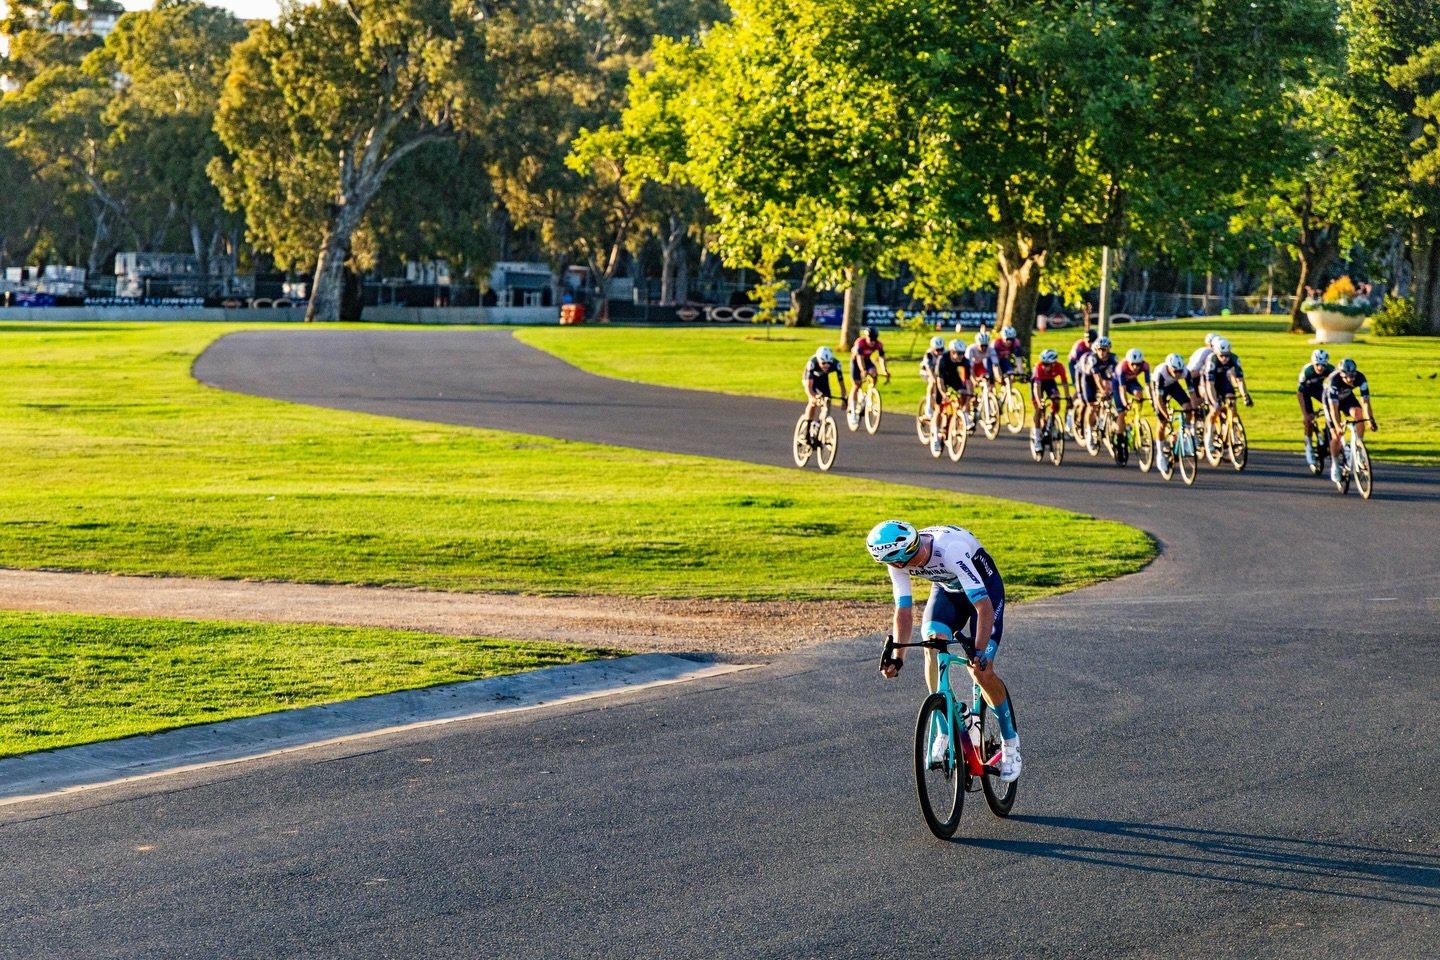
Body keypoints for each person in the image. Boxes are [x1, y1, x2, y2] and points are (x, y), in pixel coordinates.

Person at [868, 520, 1021, 782]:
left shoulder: (950, 550)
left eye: (891, 562)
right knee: (932, 642)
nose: (889, 567)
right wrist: (898, 657)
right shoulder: (898, 561)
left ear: (902, 558)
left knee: (981, 672)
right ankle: (943, 730)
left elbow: (983, 608)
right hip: (948, 590)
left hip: (984, 593)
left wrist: (979, 652)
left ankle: (1011, 744)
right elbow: (903, 612)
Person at [1323, 358, 1378, 485]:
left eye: (1353, 376)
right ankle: (1335, 464)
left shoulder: (1360, 378)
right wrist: (1337, 426)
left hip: (1347, 398)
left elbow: (1365, 402)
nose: (1351, 380)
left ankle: (1359, 446)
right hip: (1331, 402)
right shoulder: (1333, 381)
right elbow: (1334, 409)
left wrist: (1370, 420)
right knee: (1336, 435)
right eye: (1348, 377)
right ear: (1342, 374)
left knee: (1359, 414)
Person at [1200, 337, 1252, 453]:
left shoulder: (1234, 359)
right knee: (1215, 410)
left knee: (1232, 402)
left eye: (1227, 355)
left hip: (1223, 379)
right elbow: (1210, 385)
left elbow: (1240, 380)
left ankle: (1232, 430)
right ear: (1217, 353)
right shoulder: (1212, 361)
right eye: (1222, 356)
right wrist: (1214, 403)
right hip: (1209, 383)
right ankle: (1208, 437)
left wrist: (1245, 396)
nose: (1225, 358)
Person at [1150, 352, 1199, 473]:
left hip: (1173, 386)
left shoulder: (1185, 372)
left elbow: (1192, 393)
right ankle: (1160, 453)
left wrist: (1194, 409)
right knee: (1163, 422)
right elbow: (1159, 399)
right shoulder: (1160, 374)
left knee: (1188, 408)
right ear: (1169, 367)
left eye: (1180, 371)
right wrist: (1166, 415)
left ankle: (1185, 433)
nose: (1178, 374)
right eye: (1175, 371)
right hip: (1159, 391)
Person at [1076, 335, 1118, 445]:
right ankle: (1089, 431)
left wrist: (1113, 389)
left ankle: (1102, 421)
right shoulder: (1092, 358)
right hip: (1087, 376)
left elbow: (1114, 376)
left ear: (1109, 349)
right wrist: (1103, 390)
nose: (1102, 352)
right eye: (1099, 350)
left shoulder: (1113, 358)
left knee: (1108, 394)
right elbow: (1096, 378)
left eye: (1104, 349)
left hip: (1102, 373)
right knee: (1091, 404)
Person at [1296, 348, 1335, 468]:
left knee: (1332, 411)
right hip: (1306, 392)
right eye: (1317, 365)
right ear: (1313, 363)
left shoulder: (1331, 370)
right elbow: (1300, 394)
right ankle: (1308, 444)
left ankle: (1327, 434)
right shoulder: (1307, 372)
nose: (1320, 368)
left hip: (1320, 390)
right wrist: (1305, 414)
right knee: (1309, 420)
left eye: (1323, 365)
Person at [929, 338, 969, 454]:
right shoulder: (942, 360)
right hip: (941, 379)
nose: (961, 356)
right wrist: (944, 394)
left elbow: (968, 381)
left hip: (952, 376)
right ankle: (936, 436)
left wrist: (969, 394)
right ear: (952, 352)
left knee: (964, 392)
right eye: (959, 353)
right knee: (940, 407)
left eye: (963, 353)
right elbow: (940, 383)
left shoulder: (964, 361)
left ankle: (959, 415)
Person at [1029, 347, 1071, 454]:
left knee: (1056, 400)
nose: (1044, 366)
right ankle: (1037, 438)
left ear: (1053, 364)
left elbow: (1065, 383)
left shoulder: (1060, 367)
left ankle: (1051, 420)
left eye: (1047, 364)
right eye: (1043, 363)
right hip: (1037, 384)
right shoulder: (1038, 368)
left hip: (1049, 382)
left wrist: (1068, 398)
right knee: (1038, 409)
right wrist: (1039, 402)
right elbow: (1036, 387)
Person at [801, 346, 846, 441]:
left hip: (823, 379)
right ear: (818, 360)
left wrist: (844, 398)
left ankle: (818, 423)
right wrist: (813, 397)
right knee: (813, 402)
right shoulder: (812, 363)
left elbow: (842, 384)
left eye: (829, 363)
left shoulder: (836, 364)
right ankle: (806, 428)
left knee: (827, 402)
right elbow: (809, 388)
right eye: (823, 363)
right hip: (810, 378)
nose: (826, 365)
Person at [849, 326, 890, 412]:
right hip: (856, 361)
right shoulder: (860, 342)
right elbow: (859, 358)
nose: (872, 342)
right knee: (856, 385)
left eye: (874, 339)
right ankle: (853, 408)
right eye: (870, 339)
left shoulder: (878, 344)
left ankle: (870, 392)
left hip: (867, 360)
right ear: (866, 337)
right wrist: (863, 370)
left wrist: (884, 370)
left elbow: (882, 358)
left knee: (874, 373)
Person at [1114, 347, 1150, 439]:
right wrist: (1125, 403)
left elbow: (1147, 385)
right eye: (1133, 364)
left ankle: (1136, 418)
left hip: (1131, 381)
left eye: (1138, 365)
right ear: (1128, 362)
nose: (1135, 367)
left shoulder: (1145, 365)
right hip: (1118, 383)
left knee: (1139, 393)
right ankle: (1119, 437)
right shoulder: (1122, 367)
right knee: (1122, 412)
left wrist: (1151, 399)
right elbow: (1122, 389)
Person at [1067, 329, 1097, 435]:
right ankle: (1070, 410)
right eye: (1088, 341)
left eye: (1092, 341)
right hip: (1076, 365)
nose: (1090, 344)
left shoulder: (1096, 347)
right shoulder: (1080, 347)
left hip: (1088, 367)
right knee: (1079, 387)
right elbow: (1079, 366)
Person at [917, 334, 946, 418]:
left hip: (938, 372)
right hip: (926, 372)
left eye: (941, 349)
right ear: (933, 348)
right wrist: (933, 378)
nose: (939, 352)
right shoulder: (929, 354)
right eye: (937, 350)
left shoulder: (946, 353)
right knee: (932, 383)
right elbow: (929, 368)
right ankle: (928, 407)